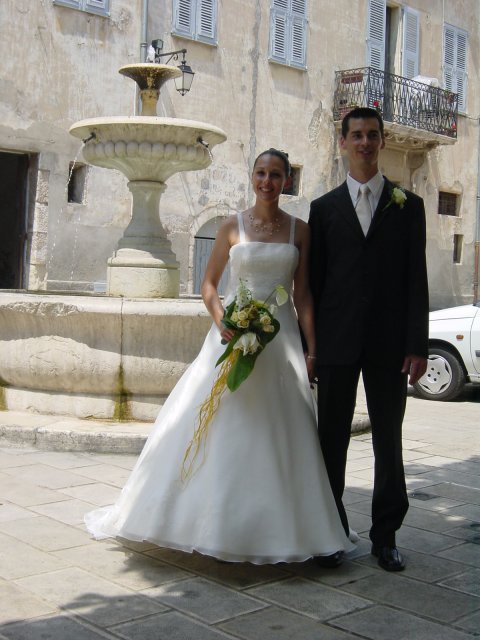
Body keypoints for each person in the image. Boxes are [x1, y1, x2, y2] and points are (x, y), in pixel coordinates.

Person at [85, 148, 355, 564]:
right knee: (220, 422)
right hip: (232, 334)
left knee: (283, 429)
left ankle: (287, 531)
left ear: (287, 181)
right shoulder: (232, 226)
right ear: (252, 177)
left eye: (276, 174)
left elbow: (302, 294)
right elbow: (209, 284)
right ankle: (202, 522)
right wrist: (221, 321)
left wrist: (312, 347)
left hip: (280, 340)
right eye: (261, 173)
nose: (267, 181)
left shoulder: (299, 231)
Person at [308, 108, 429, 571]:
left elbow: (414, 279)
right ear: (343, 143)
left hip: (389, 346)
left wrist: (416, 344)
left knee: (388, 442)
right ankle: (330, 532)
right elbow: (314, 285)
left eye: (372, 135)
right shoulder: (323, 209)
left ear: (381, 142)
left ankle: (386, 536)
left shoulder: (408, 205)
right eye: (356, 135)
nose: (364, 142)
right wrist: (311, 347)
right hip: (336, 345)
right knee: (330, 442)